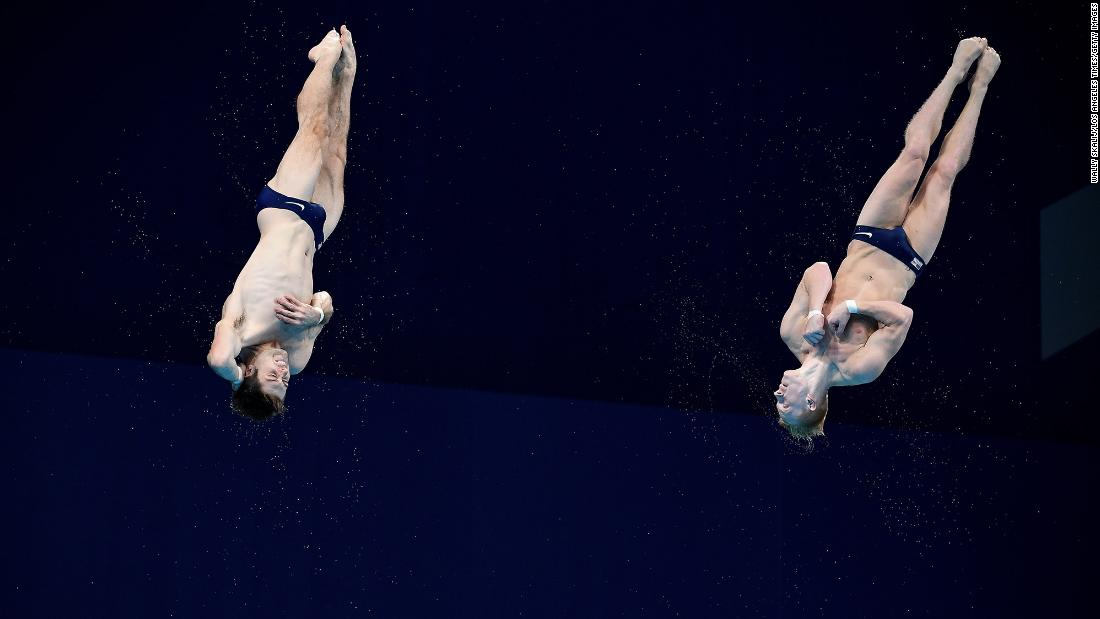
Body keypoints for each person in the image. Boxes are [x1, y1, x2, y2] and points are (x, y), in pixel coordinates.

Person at [774, 37, 1000, 438]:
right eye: (784, 403)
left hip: (868, 236)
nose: (777, 393)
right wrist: (857, 305)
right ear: (811, 402)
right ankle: (980, 86)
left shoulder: (793, 333)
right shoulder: (860, 369)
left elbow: (819, 269)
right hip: (910, 257)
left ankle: (954, 72)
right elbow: (905, 317)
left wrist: (815, 310)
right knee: (944, 172)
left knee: (914, 152)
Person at [206, 26, 356, 420]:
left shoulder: (239, 328)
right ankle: (346, 73)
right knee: (336, 150)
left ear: (248, 371)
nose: (284, 372)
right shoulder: (299, 354)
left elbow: (218, 357)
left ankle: (323, 57)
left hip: (282, 210)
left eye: (272, 378)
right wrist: (318, 315)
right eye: (285, 383)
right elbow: (324, 299)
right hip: (317, 231)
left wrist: (236, 380)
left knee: (315, 129)